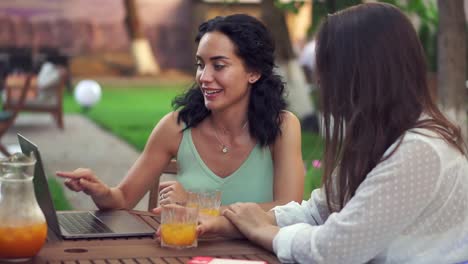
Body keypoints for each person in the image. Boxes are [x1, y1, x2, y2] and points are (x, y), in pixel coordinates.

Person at [197, 3, 468, 263]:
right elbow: (319, 211)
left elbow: (335, 251)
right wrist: (241, 222)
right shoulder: (379, 135)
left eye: (327, 67)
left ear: (363, 70)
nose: (320, 80)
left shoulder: (420, 150)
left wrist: (263, 231)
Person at [56, 14, 305, 211]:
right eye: (200, 64)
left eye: (219, 66)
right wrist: (102, 192)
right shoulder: (175, 127)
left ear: (253, 72)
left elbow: (286, 209)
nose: (204, 77)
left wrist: (197, 204)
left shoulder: (282, 126)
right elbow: (122, 199)